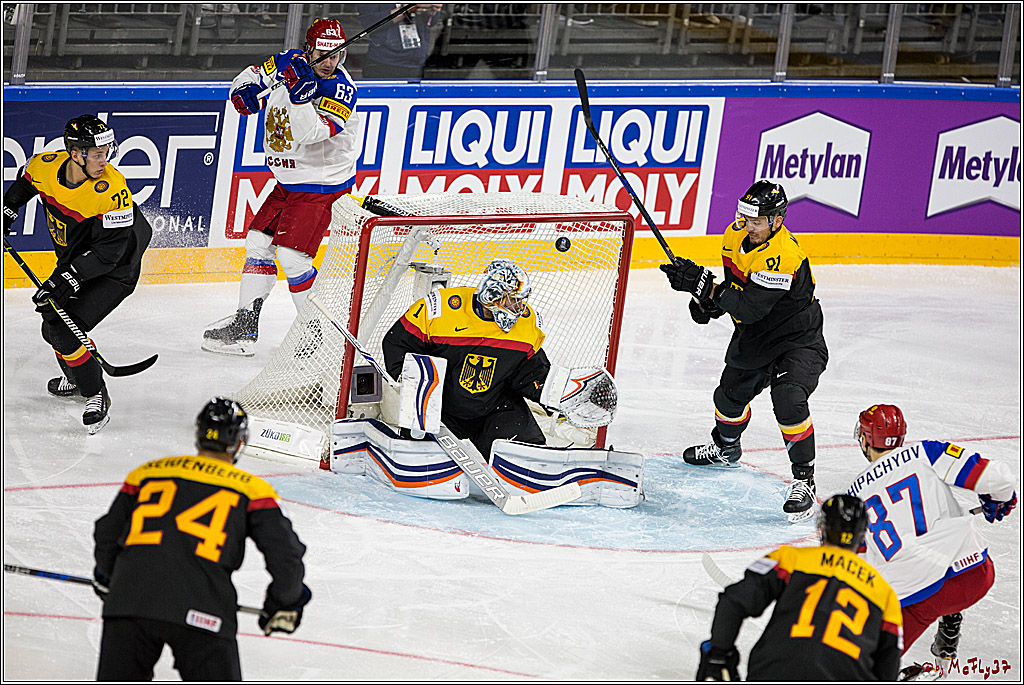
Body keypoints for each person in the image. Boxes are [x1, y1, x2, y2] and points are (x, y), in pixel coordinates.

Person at [92, 397, 311, 681]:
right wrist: (284, 602)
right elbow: (286, 558)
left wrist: (110, 578)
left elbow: (107, 534)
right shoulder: (253, 490)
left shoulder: (147, 473)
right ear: (239, 443)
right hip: (204, 609)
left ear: (198, 435)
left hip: (130, 601)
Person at [660, 180, 828, 522]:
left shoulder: (784, 256)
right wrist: (704, 300)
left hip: (797, 340)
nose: (748, 226)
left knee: (788, 398)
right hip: (756, 337)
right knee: (727, 399)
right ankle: (726, 448)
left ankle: (804, 479)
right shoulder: (733, 236)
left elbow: (750, 308)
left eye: (757, 221)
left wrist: (705, 286)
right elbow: (737, 290)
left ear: (777, 221)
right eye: (745, 218)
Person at [203, 17, 361, 356]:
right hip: (289, 181)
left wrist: (300, 97)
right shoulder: (288, 61)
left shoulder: (341, 90)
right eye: (323, 54)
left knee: (293, 258)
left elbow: (311, 134)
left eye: (336, 55)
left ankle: (317, 335)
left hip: (320, 186)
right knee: (258, 242)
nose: (330, 62)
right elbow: (250, 76)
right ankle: (244, 327)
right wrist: (242, 91)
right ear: (309, 49)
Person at [3, 114, 152, 434]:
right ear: (75, 154)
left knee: (63, 326)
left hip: (118, 266)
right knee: (52, 323)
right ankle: (76, 376)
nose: (104, 160)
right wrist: (7, 212)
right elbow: (23, 186)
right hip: (80, 256)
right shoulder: (44, 166)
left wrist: (67, 279)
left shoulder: (112, 190)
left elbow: (109, 255)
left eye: (106, 153)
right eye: (97, 154)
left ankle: (95, 392)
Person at [846, 404, 1017, 677]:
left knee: (864, 670)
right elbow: (999, 479)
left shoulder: (854, 496)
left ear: (866, 439)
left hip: (915, 600)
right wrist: (998, 498)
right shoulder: (927, 452)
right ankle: (950, 620)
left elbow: (858, 568)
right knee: (946, 543)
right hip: (973, 576)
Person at [696, 494, 903, 681]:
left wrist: (718, 656)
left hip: (775, 672)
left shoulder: (791, 559)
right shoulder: (886, 594)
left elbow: (733, 601)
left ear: (822, 528)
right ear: (862, 535)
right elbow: (888, 666)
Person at [381, 259, 555, 458]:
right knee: (420, 457)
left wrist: (554, 396)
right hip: (440, 406)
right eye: (513, 300)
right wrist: (412, 384)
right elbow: (397, 344)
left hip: (494, 406)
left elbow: (531, 373)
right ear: (492, 296)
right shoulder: (439, 308)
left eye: (521, 300)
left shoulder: (527, 324)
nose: (519, 307)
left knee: (528, 457)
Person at [358, 4, 443, 80]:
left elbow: (431, 22)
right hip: (384, 61)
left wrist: (433, 11)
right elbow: (369, 23)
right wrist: (405, 11)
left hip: (416, 59)